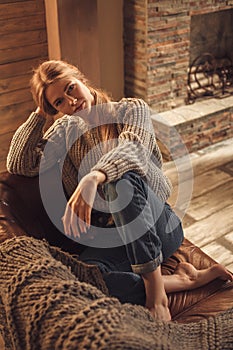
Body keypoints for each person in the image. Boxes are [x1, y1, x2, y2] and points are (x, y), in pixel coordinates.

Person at [7, 60, 232, 322]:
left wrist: (94, 177)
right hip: (113, 237)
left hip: (158, 227)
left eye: (71, 88)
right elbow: (19, 162)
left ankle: (156, 292)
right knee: (81, 277)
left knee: (119, 181)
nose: (70, 101)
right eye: (59, 102)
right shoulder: (64, 132)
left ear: (82, 79)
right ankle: (182, 280)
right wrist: (40, 111)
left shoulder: (132, 109)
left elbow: (132, 151)